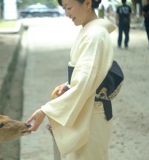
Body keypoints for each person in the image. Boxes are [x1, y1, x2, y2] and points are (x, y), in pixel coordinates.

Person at [26, 0, 120, 159]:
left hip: (91, 114)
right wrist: (69, 85)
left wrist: (47, 110)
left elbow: (84, 82)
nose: (67, 13)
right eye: (64, 8)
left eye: (69, 7)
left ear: (88, 3)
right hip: (87, 109)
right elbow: (86, 77)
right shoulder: (90, 31)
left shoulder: (95, 35)